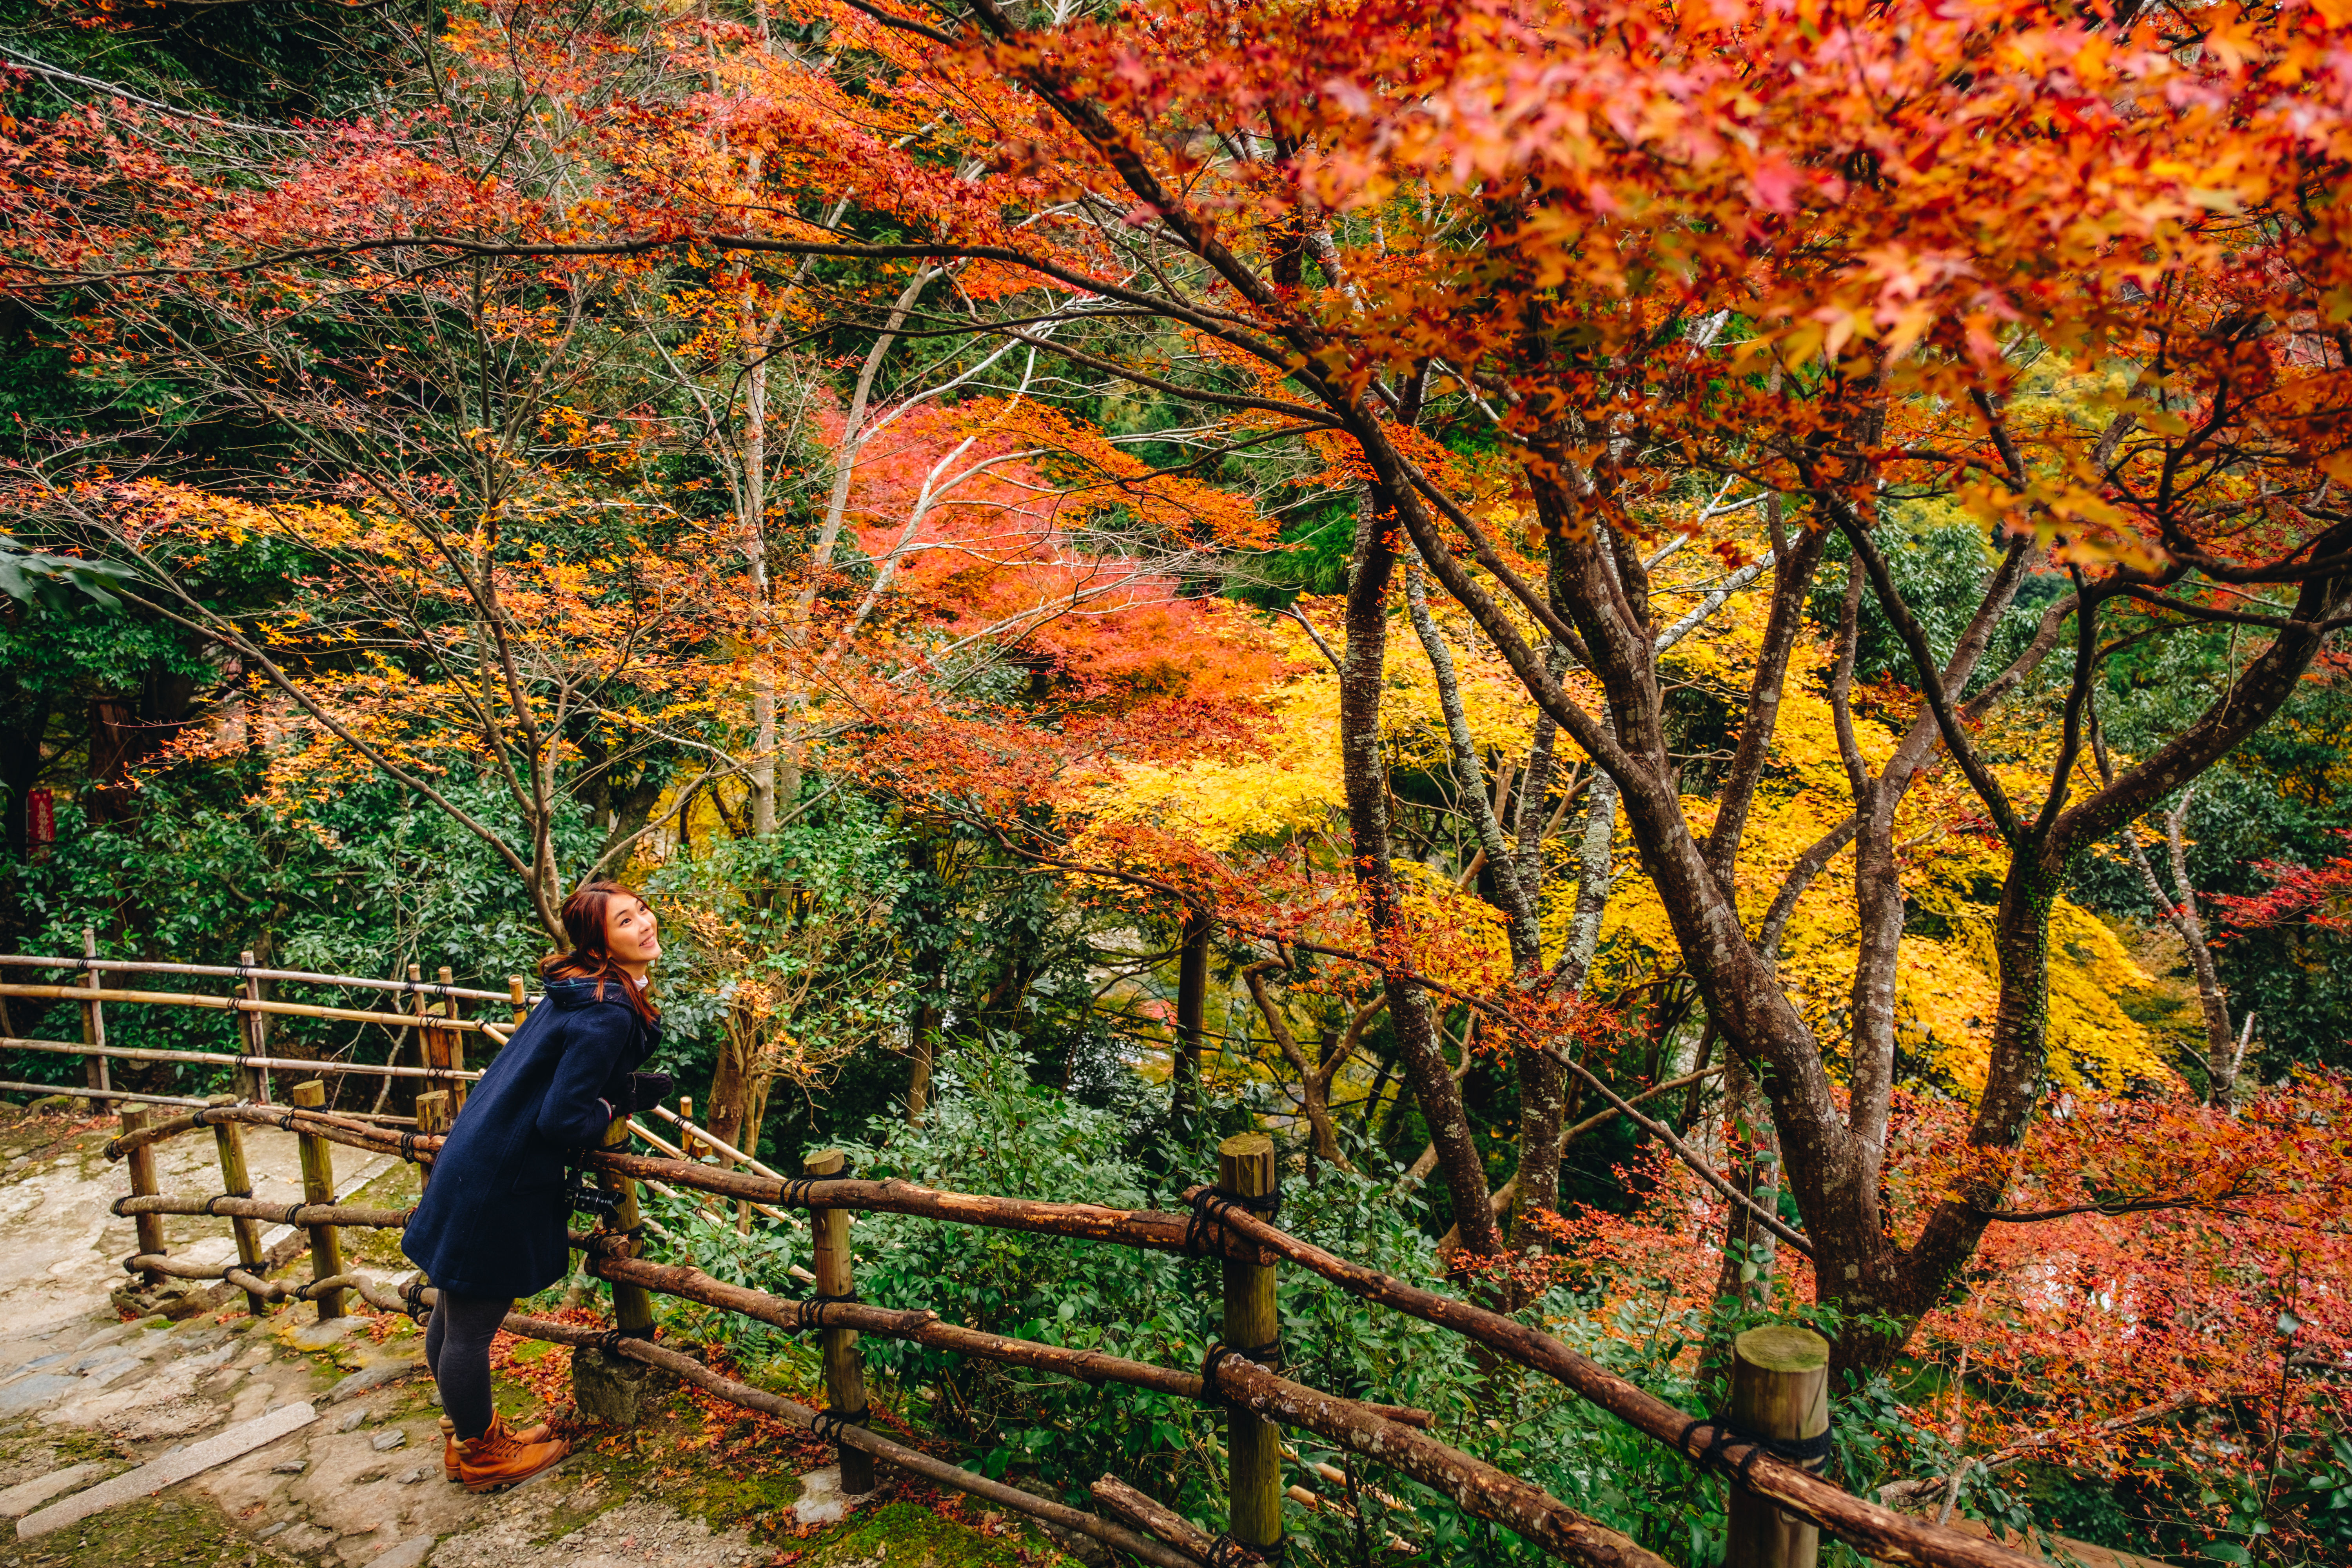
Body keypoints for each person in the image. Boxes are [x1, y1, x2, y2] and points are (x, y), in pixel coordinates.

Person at [401, 880, 673, 1491]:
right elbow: (562, 1119)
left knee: (452, 1315)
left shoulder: (579, 989)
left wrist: (611, 1091)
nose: (644, 923)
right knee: (469, 1329)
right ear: (600, 942)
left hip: (478, 1156)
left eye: (641, 910)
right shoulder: (606, 1009)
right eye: (625, 920)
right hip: (503, 1180)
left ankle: (470, 1434)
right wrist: (616, 1103)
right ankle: (482, 1454)